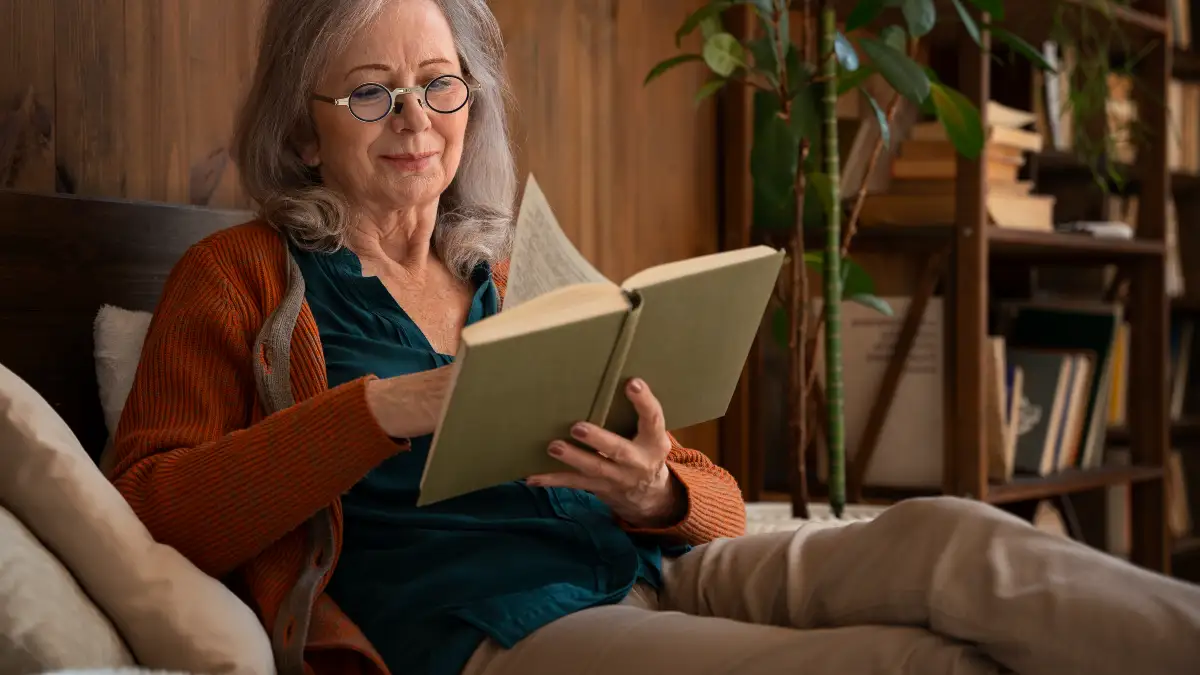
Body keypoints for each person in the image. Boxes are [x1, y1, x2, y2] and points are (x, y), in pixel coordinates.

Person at [106, 0, 1200, 674]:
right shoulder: (240, 278)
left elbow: (709, 501)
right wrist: (387, 407)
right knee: (917, 663)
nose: (417, 119)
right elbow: (156, 510)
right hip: (484, 631)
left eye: (442, 85)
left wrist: (654, 492)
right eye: (372, 91)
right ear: (301, 118)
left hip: (645, 569)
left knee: (963, 544)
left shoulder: (504, 272)